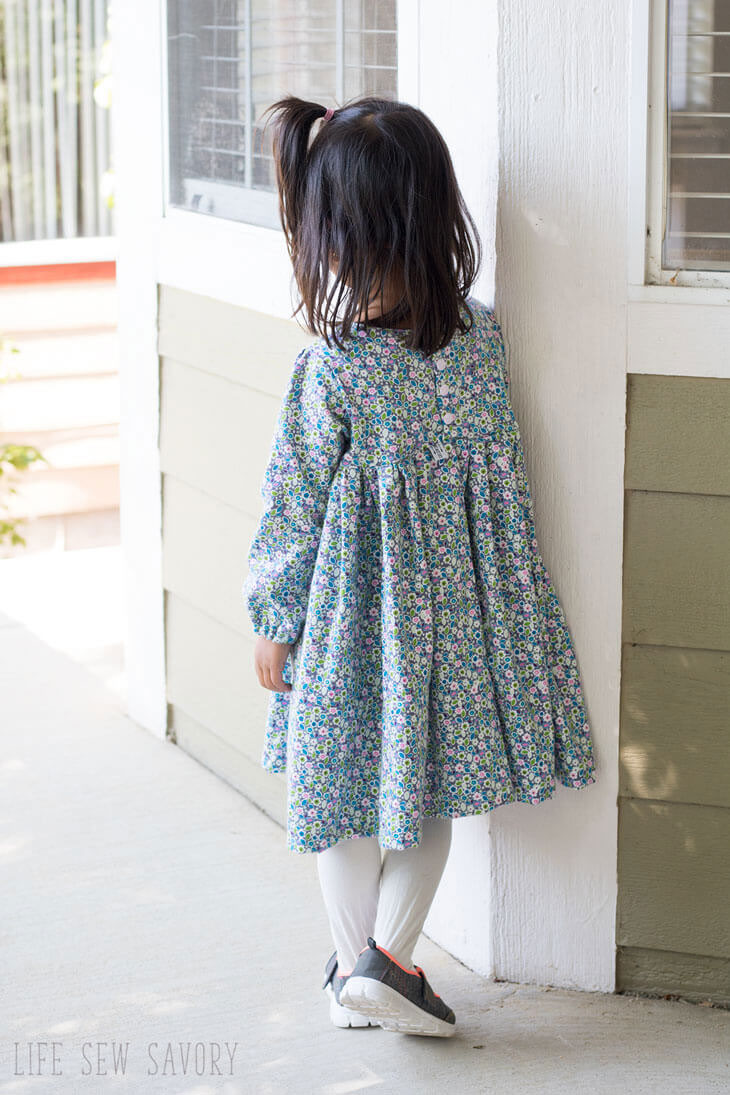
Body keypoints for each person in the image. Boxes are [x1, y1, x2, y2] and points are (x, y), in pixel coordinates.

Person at [242, 95, 597, 1038]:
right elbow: (502, 493)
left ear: (335, 237)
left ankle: (370, 966)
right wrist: (512, 603)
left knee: (346, 794)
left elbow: (293, 505)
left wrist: (275, 616)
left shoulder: (338, 367)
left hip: (355, 628)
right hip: (443, 621)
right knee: (418, 792)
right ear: (433, 217)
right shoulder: (474, 344)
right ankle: (379, 966)